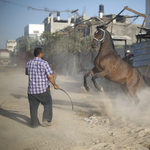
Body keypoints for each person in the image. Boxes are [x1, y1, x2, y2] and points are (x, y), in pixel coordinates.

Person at [25, 47, 59, 128]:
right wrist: (55, 85)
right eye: (43, 53)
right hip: (43, 90)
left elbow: (27, 73)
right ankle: (46, 120)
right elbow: (50, 76)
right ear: (40, 54)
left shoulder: (28, 63)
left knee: (33, 107)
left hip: (31, 91)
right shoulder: (44, 63)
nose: (43, 54)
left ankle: (34, 124)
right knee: (48, 103)